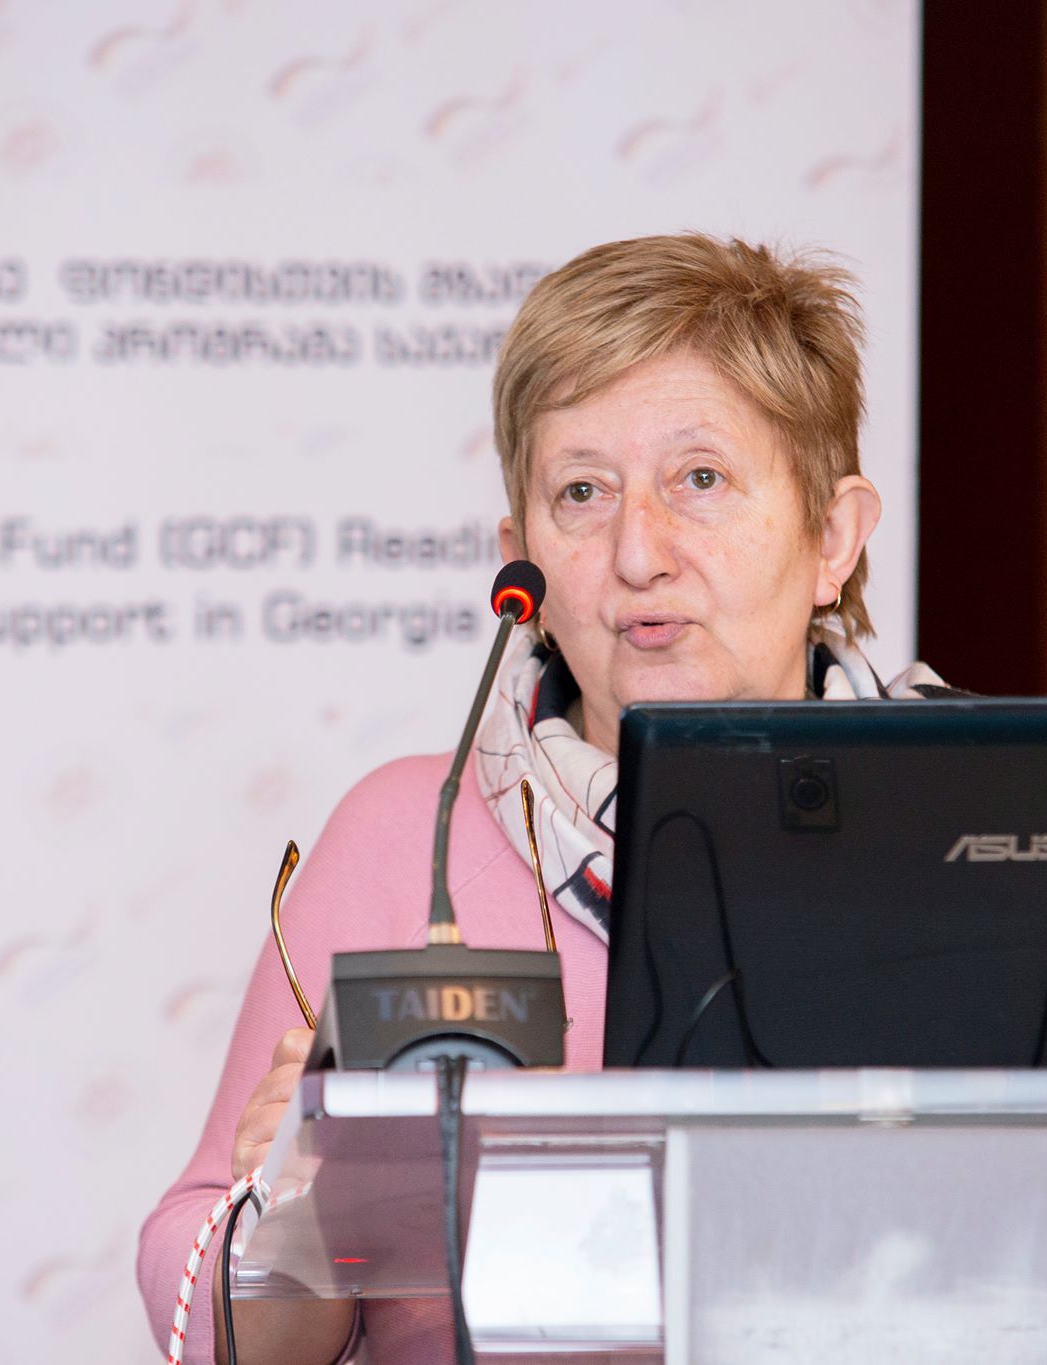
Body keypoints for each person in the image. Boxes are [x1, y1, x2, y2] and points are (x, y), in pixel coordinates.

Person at [135, 233, 945, 1363]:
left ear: (831, 536)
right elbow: (211, 1310)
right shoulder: (405, 837)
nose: (638, 552)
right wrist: (295, 1206)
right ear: (522, 560)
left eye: (700, 479)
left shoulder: (977, 830)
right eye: (582, 493)